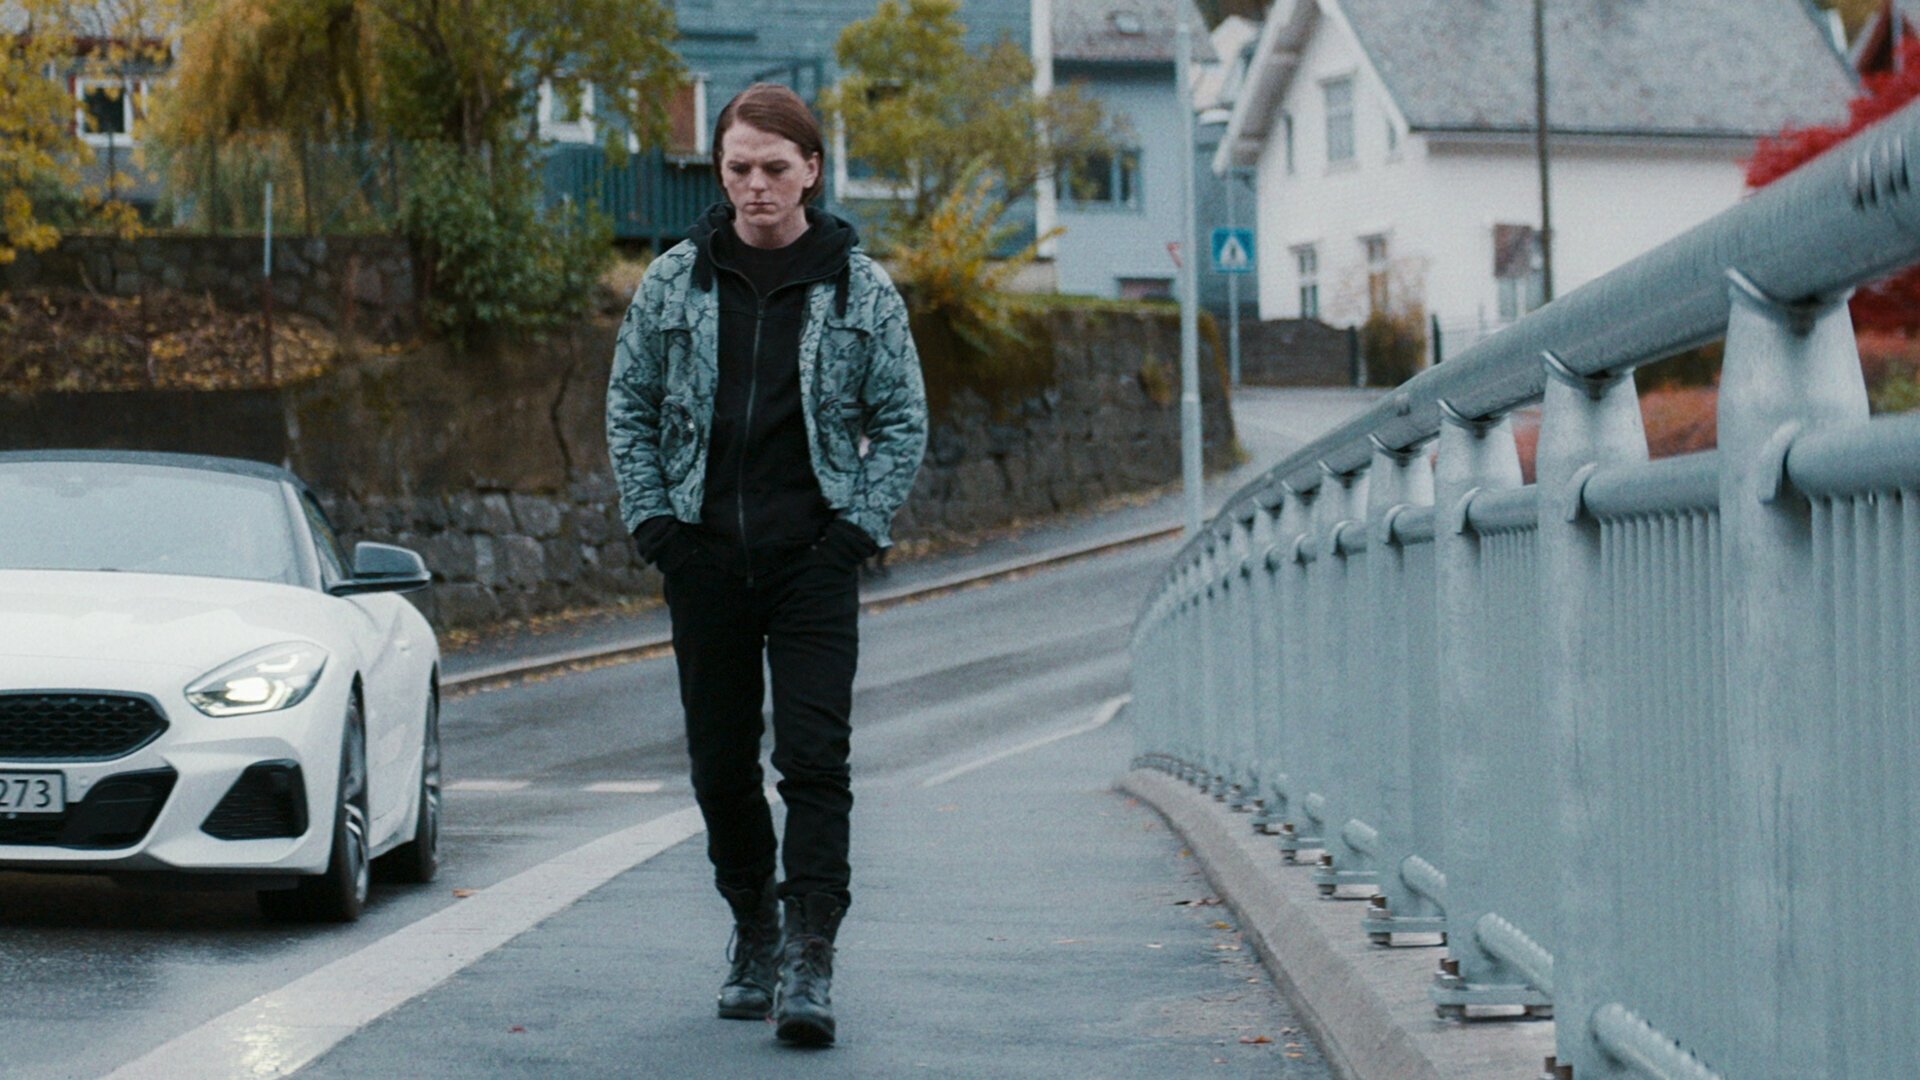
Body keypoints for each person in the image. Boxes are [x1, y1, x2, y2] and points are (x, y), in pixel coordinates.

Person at [604, 82, 927, 1047]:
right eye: (738, 168)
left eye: (774, 168)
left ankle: (809, 957)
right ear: (721, 171)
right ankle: (753, 924)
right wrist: (656, 525)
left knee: (815, 759)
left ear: (811, 172)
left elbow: (902, 419)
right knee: (719, 764)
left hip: (812, 562)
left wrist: (854, 532)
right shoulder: (674, 282)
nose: (755, 186)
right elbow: (629, 408)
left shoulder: (860, 290)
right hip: (702, 559)